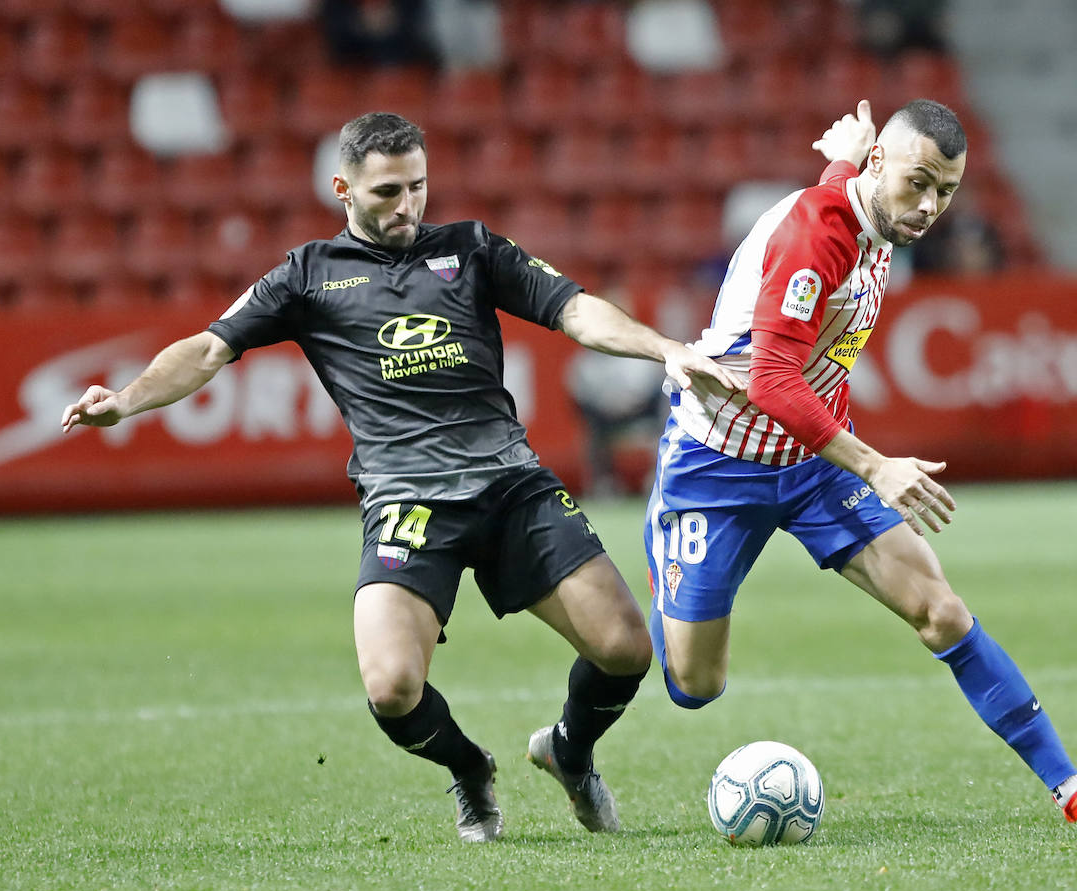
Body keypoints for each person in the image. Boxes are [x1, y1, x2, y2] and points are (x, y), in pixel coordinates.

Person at [61, 112, 744, 844]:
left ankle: (569, 753)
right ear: (342, 189)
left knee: (625, 649)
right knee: (391, 687)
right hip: (406, 500)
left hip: (509, 482)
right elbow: (206, 348)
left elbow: (574, 310)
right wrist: (126, 400)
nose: (408, 206)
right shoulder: (307, 275)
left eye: (418, 187)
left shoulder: (472, 248)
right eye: (387, 191)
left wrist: (663, 348)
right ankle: (470, 768)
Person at [642, 99, 1077, 824]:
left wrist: (852, 156)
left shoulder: (871, 201)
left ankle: (1072, 789)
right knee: (694, 683)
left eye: (945, 191)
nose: (928, 208)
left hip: (814, 461)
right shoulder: (816, 234)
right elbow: (771, 380)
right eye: (918, 183)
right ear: (880, 164)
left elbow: (848, 196)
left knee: (941, 610)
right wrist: (877, 465)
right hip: (717, 462)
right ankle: (607, 675)